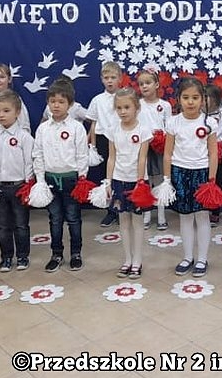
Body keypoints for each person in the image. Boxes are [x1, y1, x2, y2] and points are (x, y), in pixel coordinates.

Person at [164, 77, 218, 277]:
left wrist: (211, 180)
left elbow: (213, 153)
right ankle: (188, 257)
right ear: (178, 99)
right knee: (185, 217)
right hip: (179, 172)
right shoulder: (173, 122)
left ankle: (202, 259)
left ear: (203, 99)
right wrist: (167, 179)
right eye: (186, 97)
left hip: (202, 173)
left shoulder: (209, 122)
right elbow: (168, 153)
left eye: (195, 97)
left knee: (202, 216)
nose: (190, 102)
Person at [33, 79, 89, 273]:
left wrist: (82, 177)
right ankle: (56, 253)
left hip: (71, 179)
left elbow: (82, 155)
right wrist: (40, 180)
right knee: (55, 219)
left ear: (70, 104)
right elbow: (37, 154)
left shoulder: (76, 128)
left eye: (61, 101)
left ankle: (76, 253)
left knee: (73, 217)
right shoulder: (42, 129)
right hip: (49, 180)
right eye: (52, 101)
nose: (56, 105)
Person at [0, 90, 34, 273]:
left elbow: (30, 162)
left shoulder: (24, 137)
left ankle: (22, 256)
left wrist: (28, 184)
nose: (1, 115)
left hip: (19, 186)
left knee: (21, 224)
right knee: (2, 226)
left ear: (17, 112)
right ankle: (6, 257)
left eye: (6, 111)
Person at [106, 88, 152, 279]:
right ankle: (127, 259)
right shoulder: (113, 130)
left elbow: (142, 158)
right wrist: (108, 181)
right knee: (123, 221)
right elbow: (111, 157)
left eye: (127, 107)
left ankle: (137, 261)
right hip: (118, 180)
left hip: (137, 181)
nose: (123, 111)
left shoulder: (143, 130)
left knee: (138, 221)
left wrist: (140, 182)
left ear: (137, 107)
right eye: (119, 108)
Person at [86, 61, 122, 226]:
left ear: (120, 79)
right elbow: (93, 123)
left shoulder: (125, 96)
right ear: (101, 79)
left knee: (120, 174)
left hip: (121, 139)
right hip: (102, 139)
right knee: (105, 176)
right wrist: (92, 146)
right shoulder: (97, 100)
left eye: (113, 77)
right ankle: (110, 210)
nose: (110, 81)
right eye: (106, 77)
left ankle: (121, 208)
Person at [137, 68, 173, 231]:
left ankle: (161, 215)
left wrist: (161, 137)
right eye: (141, 84)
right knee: (145, 179)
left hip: (159, 146)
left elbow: (169, 126)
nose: (144, 86)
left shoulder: (164, 105)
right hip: (142, 146)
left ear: (157, 84)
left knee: (159, 180)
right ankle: (146, 213)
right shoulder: (137, 104)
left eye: (148, 83)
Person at [205, 84, 222, 227]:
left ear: (216, 100)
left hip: (218, 156)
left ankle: (215, 211)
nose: (203, 101)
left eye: (206, 98)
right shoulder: (198, 115)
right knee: (203, 181)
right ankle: (203, 209)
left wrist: (218, 144)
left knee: (217, 182)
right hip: (202, 155)